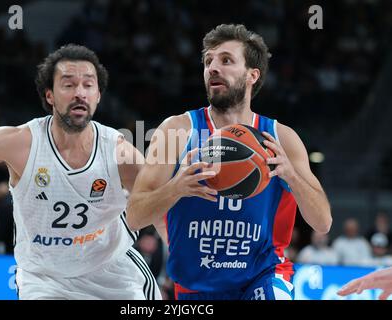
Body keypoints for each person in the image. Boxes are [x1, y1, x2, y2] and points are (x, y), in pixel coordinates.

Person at [126, 24, 332, 300]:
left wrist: (291, 176)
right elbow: (136, 216)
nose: (212, 68)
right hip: (196, 284)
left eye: (226, 60)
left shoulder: (280, 138)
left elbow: (323, 223)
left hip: (263, 276)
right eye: (208, 61)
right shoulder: (177, 131)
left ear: (252, 75)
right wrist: (177, 187)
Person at [0, 44, 161, 300]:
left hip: (113, 275)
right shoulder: (19, 143)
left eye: (88, 85)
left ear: (98, 95)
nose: (80, 93)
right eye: (68, 85)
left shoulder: (120, 152)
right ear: (50, 95)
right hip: (45, 280)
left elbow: (159, 208)